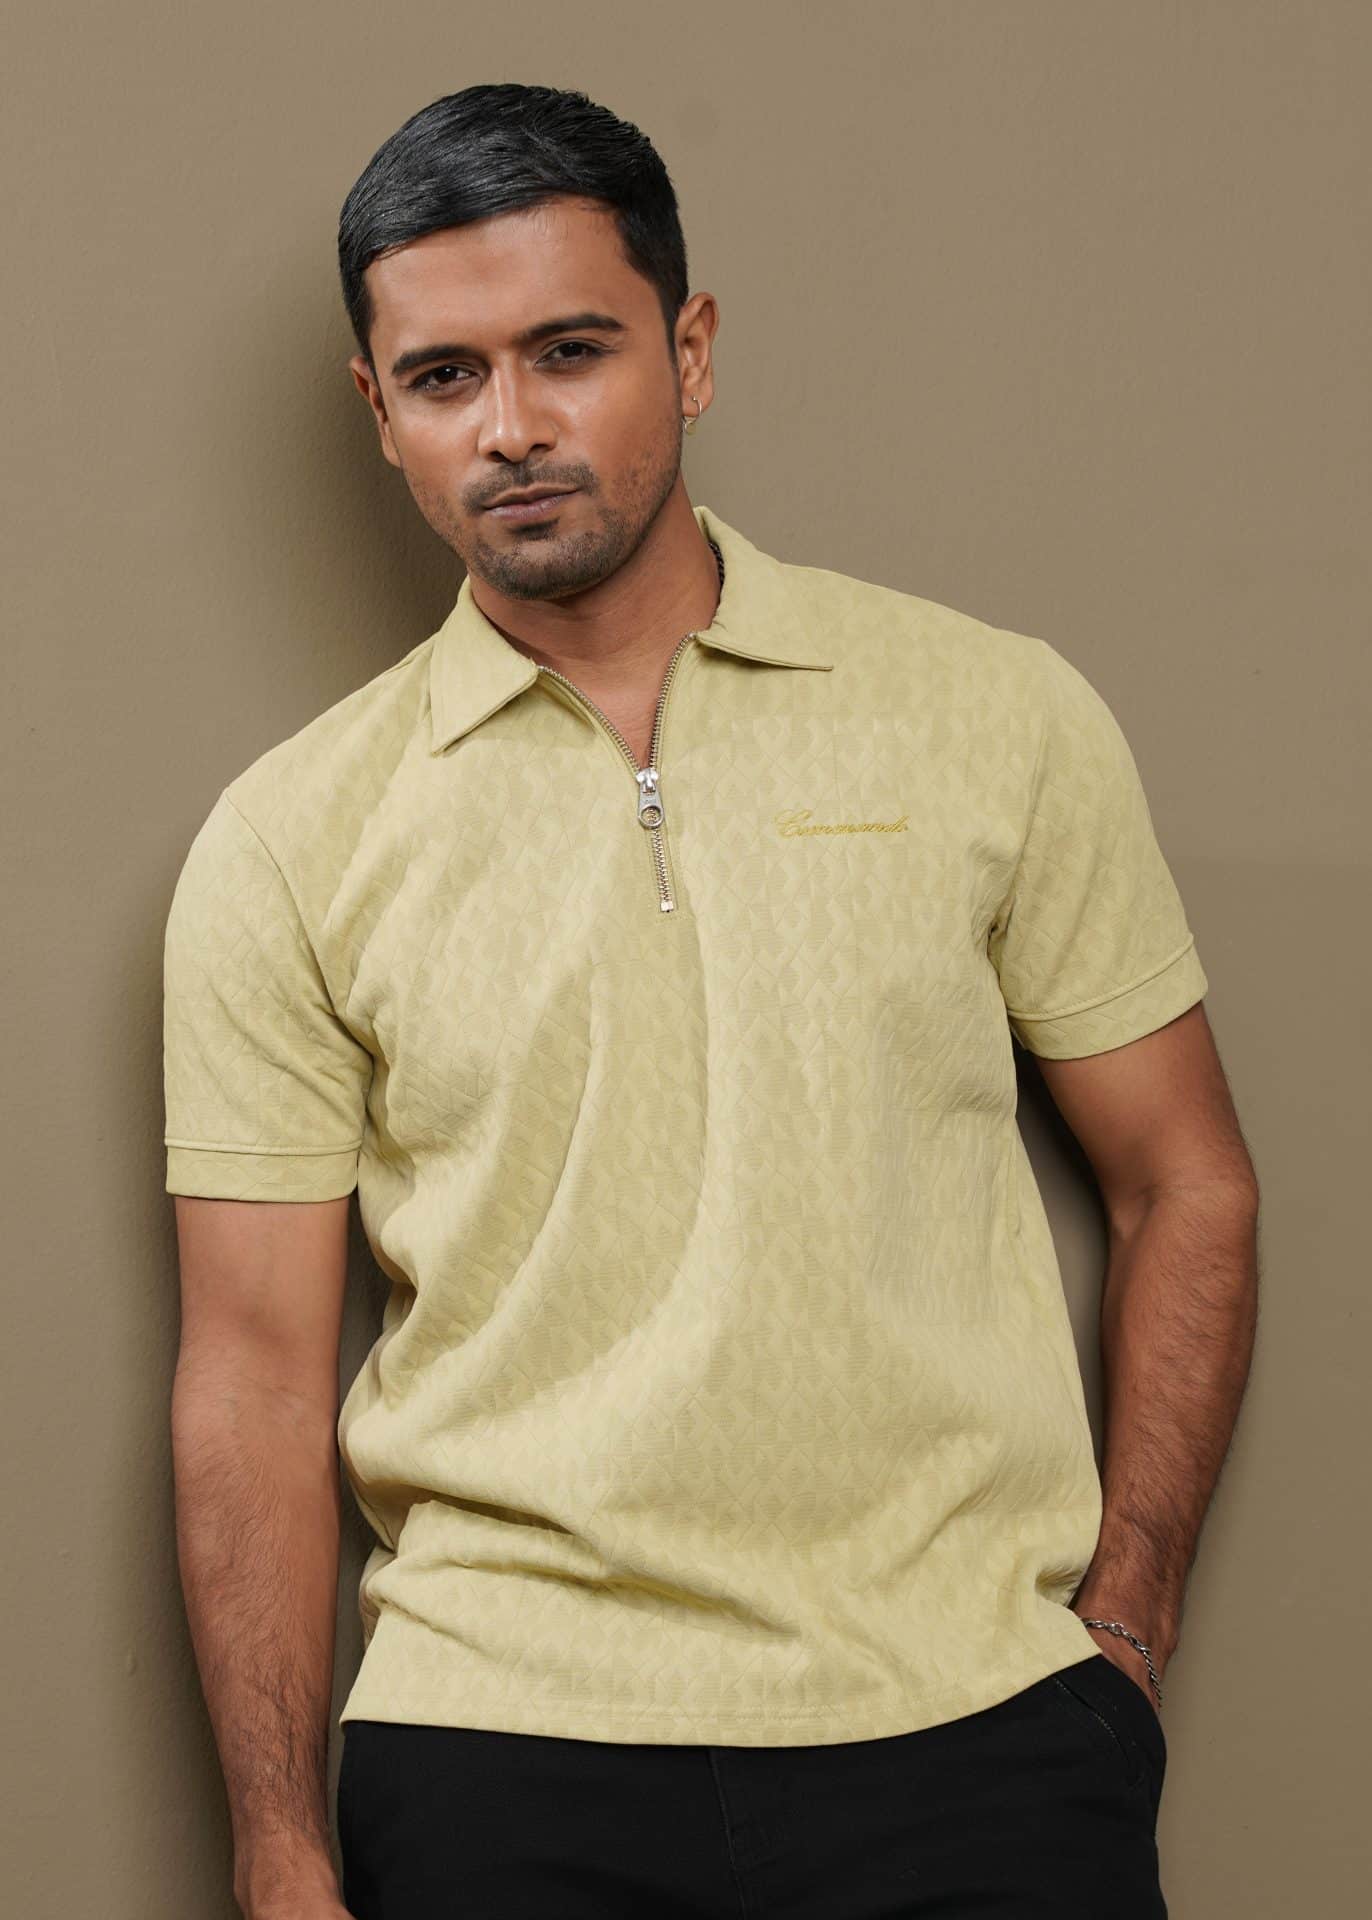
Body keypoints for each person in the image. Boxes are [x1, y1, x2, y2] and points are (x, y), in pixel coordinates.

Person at [163, 82, 1260, 1920]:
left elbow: (1188, 1181)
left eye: (570, 351)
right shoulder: (290, 838)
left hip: (976, 1730)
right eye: (443, 377)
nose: (511, 427)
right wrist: (280, 1853)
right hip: (500, 1752)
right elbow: (253, 1377)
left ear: (689, 349)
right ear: (379, 412)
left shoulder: (992, 715)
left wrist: (1125, 1628)